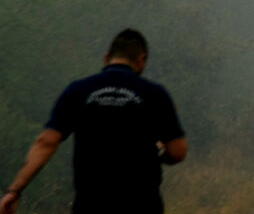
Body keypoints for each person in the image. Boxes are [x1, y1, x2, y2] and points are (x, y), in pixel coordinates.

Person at [1, 29, 186, 214]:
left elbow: (46, 142)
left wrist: (15, 190)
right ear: (141, 60)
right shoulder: (155, 94)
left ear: (106, 58)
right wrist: (161, 156)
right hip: (143, 204)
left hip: (90, 204)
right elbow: (178, 152)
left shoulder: (78, 90)